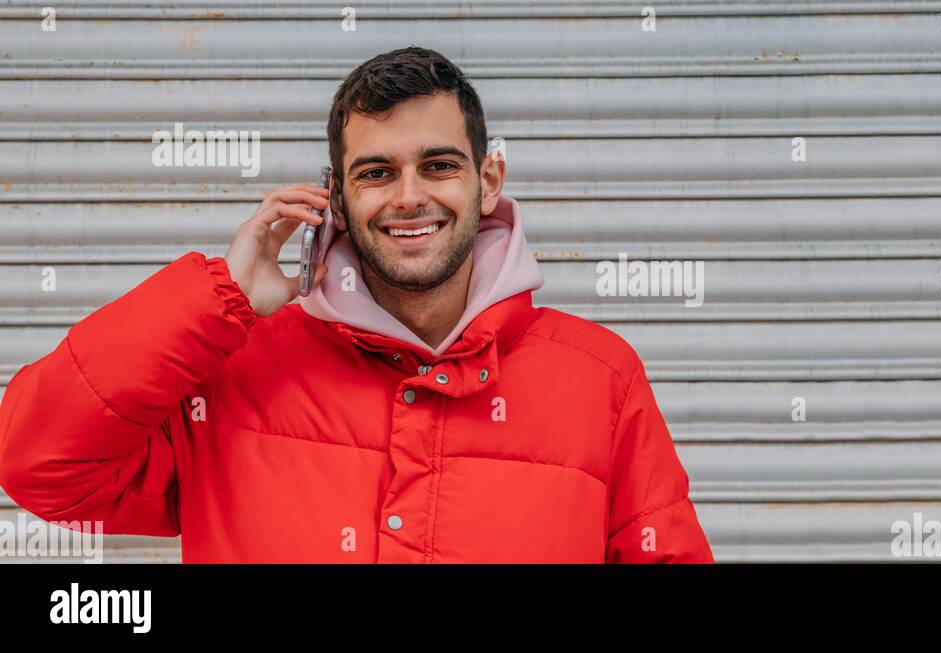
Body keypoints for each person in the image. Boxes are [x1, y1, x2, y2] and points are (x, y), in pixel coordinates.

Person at [0, 46, 714, 563]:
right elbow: (36, 461)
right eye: (377, 172)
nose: (409, 196)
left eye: (438, 164)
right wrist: (219, 297)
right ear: (335, 197)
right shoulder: (238, 367)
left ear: (489, 180)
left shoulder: (600, 377)